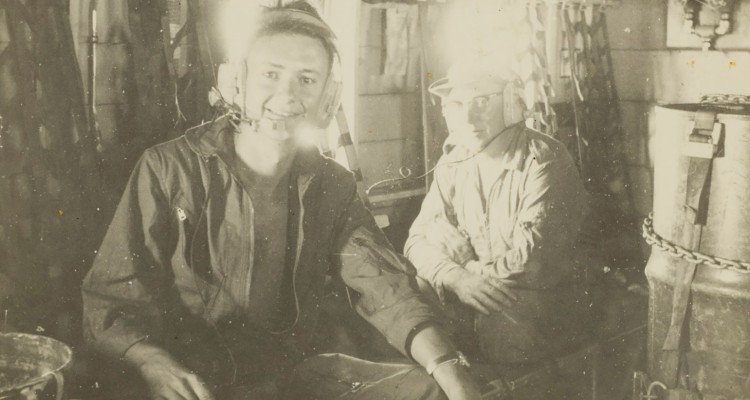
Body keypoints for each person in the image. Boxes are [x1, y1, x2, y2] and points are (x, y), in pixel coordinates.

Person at [81, 3, 481, 399]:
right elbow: (111, 300)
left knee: (432, 388)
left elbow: (386, 286)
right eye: (271, 75)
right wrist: (154, 362)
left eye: (307, 80)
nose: (287, 97)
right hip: (195, 379)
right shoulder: (169, 169)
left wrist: (449, 367)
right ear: (237, 83)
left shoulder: (332, 185)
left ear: (328, 97)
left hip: (290, 374)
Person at [405, 60, 591, 365]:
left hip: (539, 301)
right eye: (458, 104)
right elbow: (416, 242)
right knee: (415, 305)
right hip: (473, 292)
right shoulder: (454, 162)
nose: (468, 117)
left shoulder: (543, 161)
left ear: (509, 105)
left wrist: (468, 267)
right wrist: (455, 276)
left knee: (503, 328)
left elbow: (532, 263)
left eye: (481, 102)